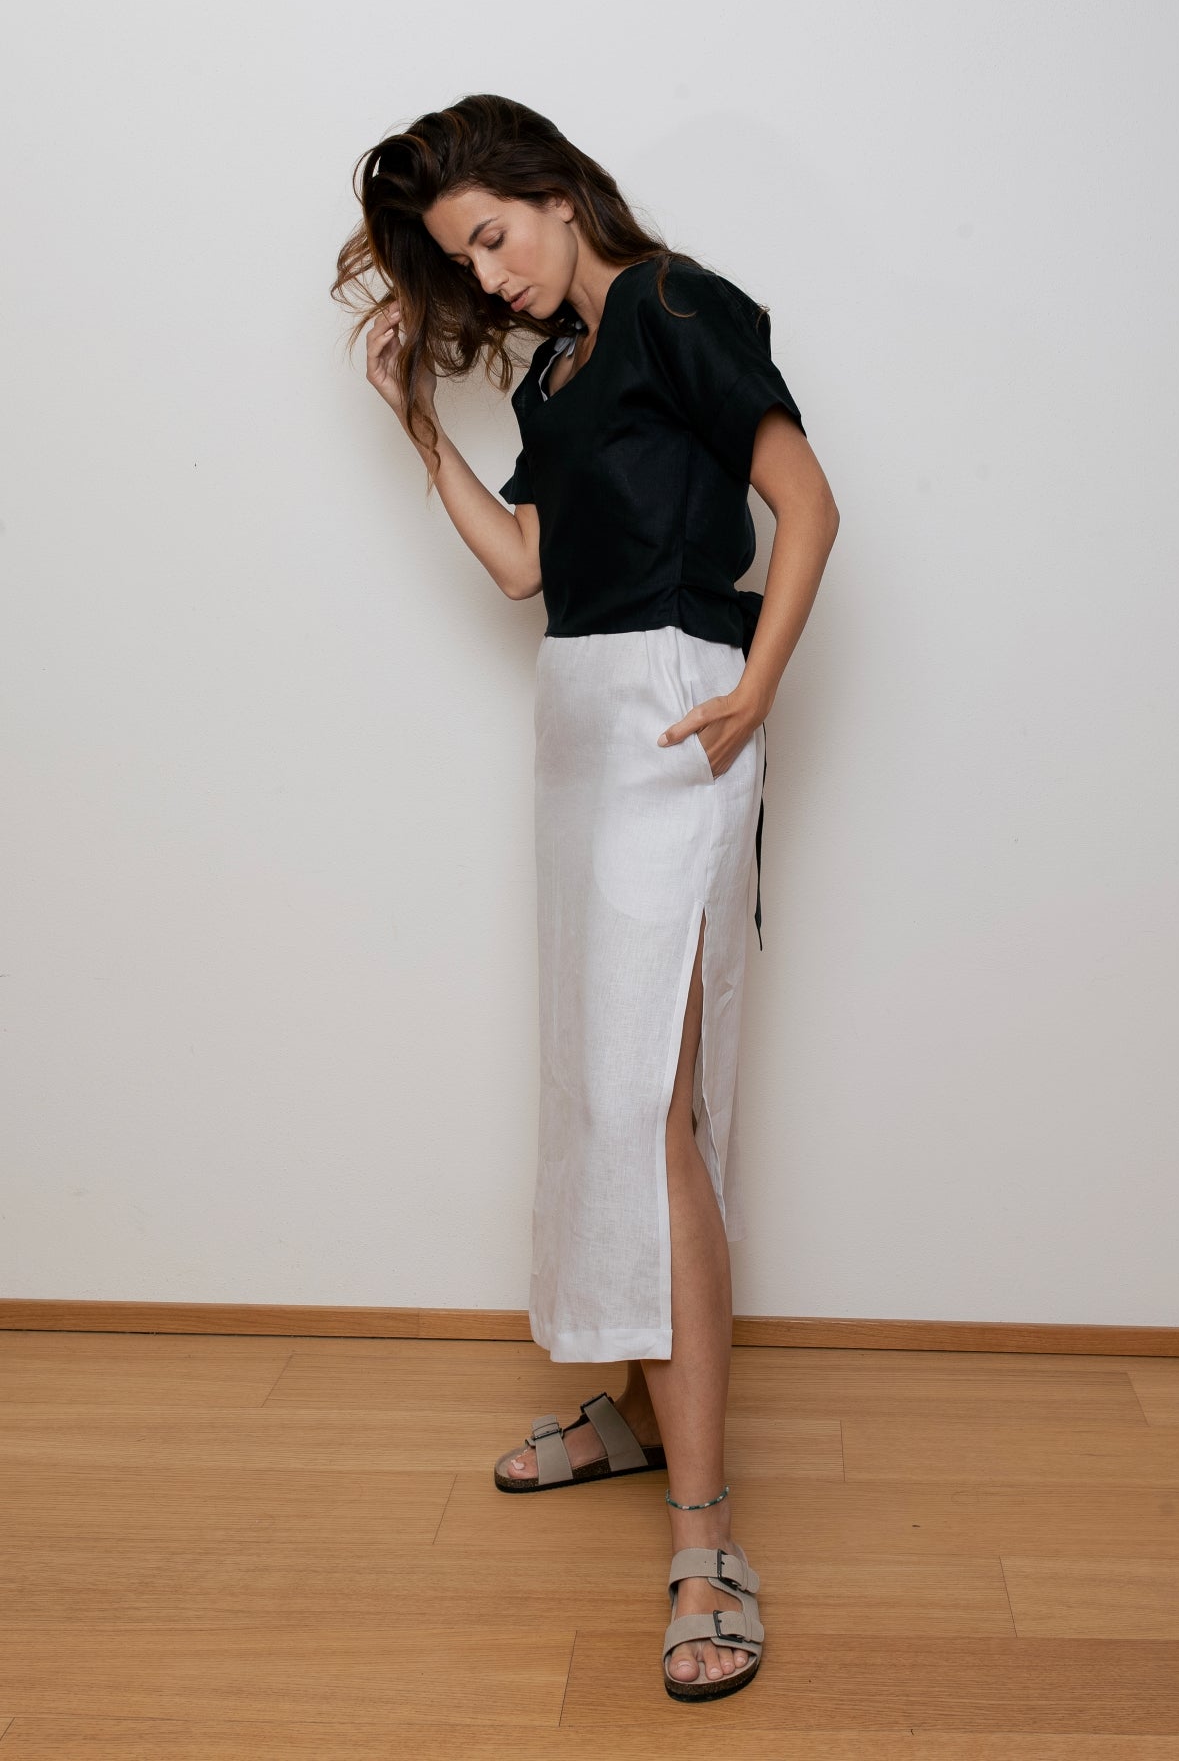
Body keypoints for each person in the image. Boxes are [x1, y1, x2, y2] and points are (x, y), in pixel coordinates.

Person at [332, 93, 838, 1701]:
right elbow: (522, 565)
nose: (487, 278)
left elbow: (806, 500)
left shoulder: (676, 305)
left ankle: (705, 1534)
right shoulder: (552, 369)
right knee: (597, 1093)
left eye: (493, 236)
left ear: (557, 191)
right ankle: (632, 1410)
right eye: (460, 260)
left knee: (652, 1110)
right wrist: (416, 421)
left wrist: (756, 684)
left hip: (676, 713)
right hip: (575, 727)